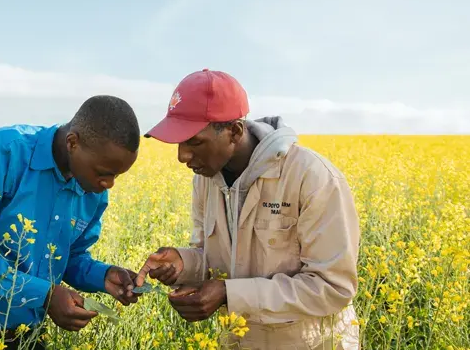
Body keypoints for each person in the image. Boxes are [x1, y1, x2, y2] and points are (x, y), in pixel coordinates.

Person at [135, 69, 361, 349]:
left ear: (234, 132)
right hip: (239, 340)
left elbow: (332, 288)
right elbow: (214, 258)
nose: (182, 155)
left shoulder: (313, 178)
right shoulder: (205, 180)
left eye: (194, 141)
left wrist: (229, 294)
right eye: (179, 141)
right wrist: (184, 264)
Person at [0, 95, 143, 350]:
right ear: (73, 142)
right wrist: (46, 295)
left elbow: (69, 258)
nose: (109, 184)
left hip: (26, 337)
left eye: (116, 175)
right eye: (104, 172)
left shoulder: (93, 191)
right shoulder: (1, 151)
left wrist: (103, 276)